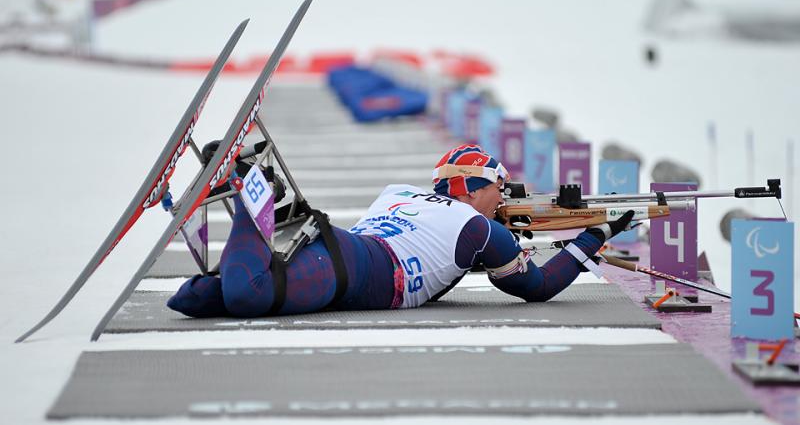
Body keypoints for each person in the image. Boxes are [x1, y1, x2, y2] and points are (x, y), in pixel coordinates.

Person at [167, 144, 634, 318]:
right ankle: (253, 188)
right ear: (471, 190)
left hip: (339, 249)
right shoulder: (476, 227)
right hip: (356, 268)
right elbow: (537, 287)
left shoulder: (401, 192)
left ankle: (245, 188)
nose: (505, 197)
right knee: (247, 297)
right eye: (499, 186)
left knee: (195, 299)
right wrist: (595, 236)